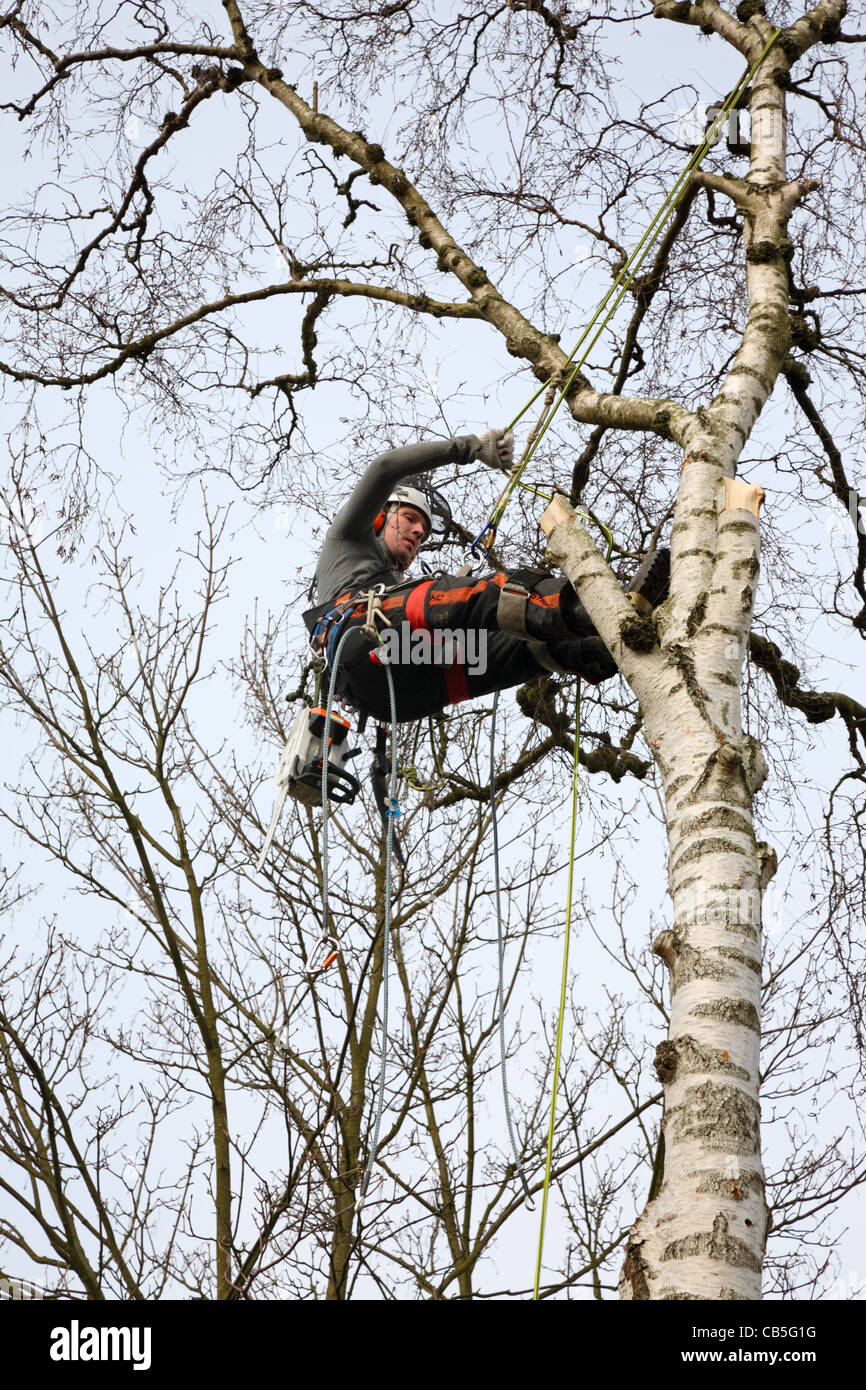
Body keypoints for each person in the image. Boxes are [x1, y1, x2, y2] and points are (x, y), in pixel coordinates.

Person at [303, 429, 668, 724]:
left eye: (424, 532)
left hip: (400, 688)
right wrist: (471, 447)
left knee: (520, 648)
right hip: (364, 640)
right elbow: (384, 468)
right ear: (381, 516)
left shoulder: (391, 585)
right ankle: (605, 608)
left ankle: (600, 646)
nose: (417, 533)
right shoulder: (347, 541)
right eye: (411, 519)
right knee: (492, 594)